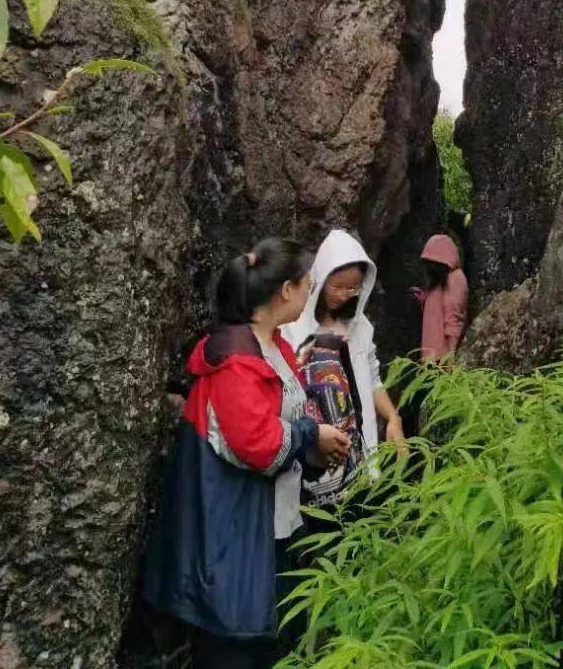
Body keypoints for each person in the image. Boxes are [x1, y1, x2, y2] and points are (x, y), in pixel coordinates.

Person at [144, 239, 349, 669]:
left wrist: (314, 449)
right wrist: (310, 434)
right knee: (235, 651)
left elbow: (280, 429)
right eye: (308, 286)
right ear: (286, 291)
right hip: (236, 538)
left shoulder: (275, 348)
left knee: (273, 644)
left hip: (275, 525)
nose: (311, 294)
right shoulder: (237, 362)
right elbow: (258, 445)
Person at [284, 228, 406, 506]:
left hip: (362, 452)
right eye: (336, 286)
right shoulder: (295, 327)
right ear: (321, 279)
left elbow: (373, 378)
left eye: (353, 288)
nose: (343, 295)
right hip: (318, 459)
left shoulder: (360, 327)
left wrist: (393, 418)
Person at [413, 233, 468, 362]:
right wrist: (424, 298)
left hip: (442, 358)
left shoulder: (455, 278)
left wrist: (450, 356)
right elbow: (438, 311)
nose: (429, 267)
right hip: (432, 356)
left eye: (432, 262)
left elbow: (454, 317)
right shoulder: (441, 279)